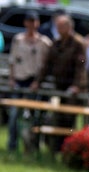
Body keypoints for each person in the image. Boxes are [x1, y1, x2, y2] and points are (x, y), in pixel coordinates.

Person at [31, 14, 86, 153]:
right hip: (59, 87)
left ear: (69, 27)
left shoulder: (78, 43)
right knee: (56, 119)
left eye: (61, 26)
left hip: (72, 90)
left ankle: (69, 150)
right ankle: (55, 150)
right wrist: (38, 82)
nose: (58, 29)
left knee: (69, 121)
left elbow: (81, 68)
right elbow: (46, 66)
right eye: (57, 26)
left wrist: (76, 86)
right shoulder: (56, 43)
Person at [6, 11, 51, 152]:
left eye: (34, 21)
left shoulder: (44, 42)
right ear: (25, 23)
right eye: (29, 21)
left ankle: (32, 146)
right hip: (19, 81)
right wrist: (12, 79)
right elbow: (12, 61)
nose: (32, 24)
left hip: (34, 83)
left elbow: (46, 65)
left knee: (33, 117)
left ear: (38, 23)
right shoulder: (18, 39)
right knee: (14, 115)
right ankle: (12, 145)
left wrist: (38, 81)